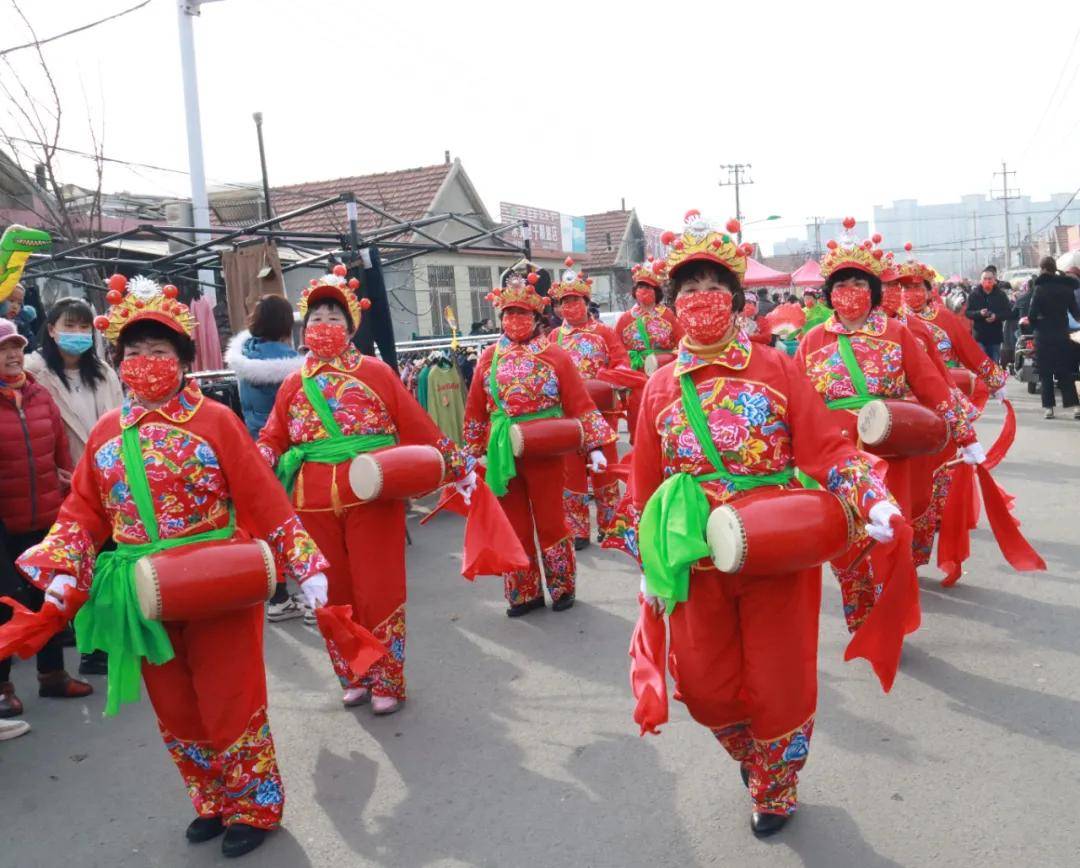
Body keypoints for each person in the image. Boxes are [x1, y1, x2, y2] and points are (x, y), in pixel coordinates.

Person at [17, 275, 330, 858]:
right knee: (176, 701)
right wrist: (65, 564)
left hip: (217, 578)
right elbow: (84, 508)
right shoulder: (109, 432)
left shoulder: (216, 421)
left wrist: (302, 561)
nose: (144, 363)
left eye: (158, 352)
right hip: (144, 589)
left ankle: (254, 805)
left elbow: (262, 496)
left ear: (185, 359)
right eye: (133, 353)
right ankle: (210, 800)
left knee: (229, 694)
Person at [631, 212, 893, 836]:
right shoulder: (659, 389)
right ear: (671, 305)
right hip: (696, 553)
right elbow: (644, 484)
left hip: (777, 542)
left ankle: (775, 787)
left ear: (738, 299)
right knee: (703, 684)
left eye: (714, 286)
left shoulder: (777, 368)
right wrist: (649, 566)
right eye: (688, 288)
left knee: (779, 678)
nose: (702, 300)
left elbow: (826, 449)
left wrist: (870, 497)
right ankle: (757, 759)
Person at [258, 266, 476, 714]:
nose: (324, 327)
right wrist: (259, 455)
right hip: (312, 501)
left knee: (379, 588)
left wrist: (459, 466)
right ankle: (352, 673)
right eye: (316, 318)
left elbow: (417, 426)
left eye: (334, 319)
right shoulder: (292, 384)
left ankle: (387, 680)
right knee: (332, 591)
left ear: (351, 327)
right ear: (304, 327)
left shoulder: (376, 373)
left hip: (372, 495)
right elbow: (274, 436)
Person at [796, 222, 985, 634]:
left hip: (891, 450)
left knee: (887, 535)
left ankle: (890, 611)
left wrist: (966, 434)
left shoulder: (896, 333)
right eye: (841, 283)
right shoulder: (812, 340)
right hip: (836, 456)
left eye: (859, 282)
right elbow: (795, 402)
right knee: (846, 540)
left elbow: (933, 385)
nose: (850, 291)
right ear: (829, 292)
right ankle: (863, 615)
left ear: (873, 289)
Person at [463, 267, 615, 616]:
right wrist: (471, 455)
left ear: (536, 316)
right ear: (501, 318)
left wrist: (594, 447)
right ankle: (524, 593)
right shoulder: (488, 357)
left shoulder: (554, 355)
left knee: (550, 521)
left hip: (545, 449)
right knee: (513, 523)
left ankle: (562, 586)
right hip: (503, 453)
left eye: (522, 313)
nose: (515, 319)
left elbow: (579, 403)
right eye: (509, 313)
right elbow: (475, 410)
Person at [24, 297, 125, 674]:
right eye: (70, 326)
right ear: (51, 329)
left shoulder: (103, 372)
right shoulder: (35, 372)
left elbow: (119, 421)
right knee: (75, 569)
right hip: (64, 487)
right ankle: (89, 646)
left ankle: (104, 644)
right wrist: (55, 471)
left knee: (107, 565)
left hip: (109, 483)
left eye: (85, 328)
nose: (78, 334)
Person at [0, 317, 91, 718]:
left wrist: (68, 488)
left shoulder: (38, 395)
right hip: (4, 523)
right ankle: (2, 687)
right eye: (3, 349)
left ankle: (52, 674)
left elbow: (58, 450)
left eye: (16, 347)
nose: (12, 355)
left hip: (46, 515)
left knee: (49, 597)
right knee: (6, 603)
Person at [225, 294, 305, 621]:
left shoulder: (244, 358)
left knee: (267, 522)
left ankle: (277, 595)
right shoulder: (293, 366)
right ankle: (312, 588)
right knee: (297, 520)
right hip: (288, 453)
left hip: (255, 449)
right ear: (287, 324)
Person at [549, 262, 633, 547]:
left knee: (604, 470)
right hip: (568, 416)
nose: (570, 306)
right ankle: (578, 530)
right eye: (565, 302)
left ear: (586, 302)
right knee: (571, 472)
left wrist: (603, 381)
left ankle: (611, 527)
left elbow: (623, 363)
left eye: (575, 301)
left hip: (600, 413)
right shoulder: (553, 338)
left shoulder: (604, 333)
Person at [616, 260, 683, 439]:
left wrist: (667, 359)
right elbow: (617, 349)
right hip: (636, 377)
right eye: (640, 287)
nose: (643, 291)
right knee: (638, 418)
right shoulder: (625, 319)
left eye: (648, 287)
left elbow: (683, 343)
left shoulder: (668, 316)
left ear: (657, 292)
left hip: (664, 374)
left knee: (664, 416)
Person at [1025, 256, 1080, 419]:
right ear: (1054, 268)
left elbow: (1032, 314)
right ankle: (1076, 407)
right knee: (1066, 371)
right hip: (1063, 334)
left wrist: (1035, 325)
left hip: (1044, 335)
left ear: (1042, 269)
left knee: (1046, 373)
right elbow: (1076, 313)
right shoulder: (1066, 288)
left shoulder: (1039, 288)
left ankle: (1049, 408)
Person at [965, 268, 1017, 362]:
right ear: (981, 280)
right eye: (985, 278)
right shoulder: (974, 295)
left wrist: (996, 316)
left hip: (995, 336)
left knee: (994, 365)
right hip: (979, 336)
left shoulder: (1001, 295)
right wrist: (979, 313)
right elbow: (968, 312)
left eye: (990, 279)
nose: (987, 281)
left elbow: (1008, 313)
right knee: (982, 364)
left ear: (994, 280)